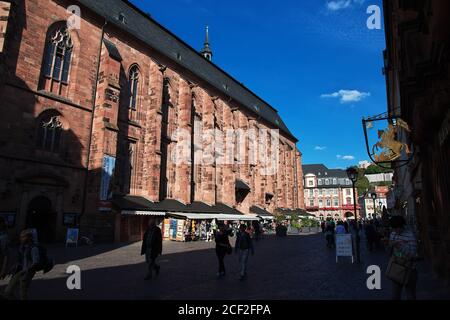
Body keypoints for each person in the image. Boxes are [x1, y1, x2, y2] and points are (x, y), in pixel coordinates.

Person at [387, 215, 418, 300]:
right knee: (395, 295)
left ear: (402, 226)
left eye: (397, 228)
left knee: (410, 295)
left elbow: (413, 255)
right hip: (396, 267)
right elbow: (391, 251)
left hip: (409, 269)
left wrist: (399, 246)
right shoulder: (393, 234)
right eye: (393, 228)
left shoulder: (410, 235)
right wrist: (389, 245)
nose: (395, 231)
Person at [3, 229, 40, 300]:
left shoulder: (34, 248)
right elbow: (20, 259)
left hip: (27, 273)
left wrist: (27, 270)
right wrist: (14, 266)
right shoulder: (22, 247)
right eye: (21, 237)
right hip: (19, 272)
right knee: (8, 291)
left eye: (23, 237)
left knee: (23, 294)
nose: (21, 239)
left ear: (29, 238)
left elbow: (36, 262)